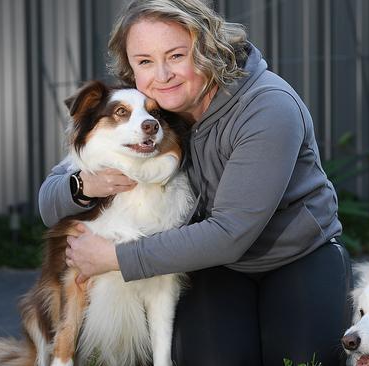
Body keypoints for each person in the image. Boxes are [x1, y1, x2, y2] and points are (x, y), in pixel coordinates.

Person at [38, 0, 352, 365]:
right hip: (212, 267)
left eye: (176, 55)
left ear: (207, 50)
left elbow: (230, 233)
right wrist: (83, 185)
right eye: (144, 61)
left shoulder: (268, 107)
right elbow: (49, 202)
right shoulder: (147, 108)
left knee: (303, 361)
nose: (162, 74)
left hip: (297, 256)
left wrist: (114, 257)